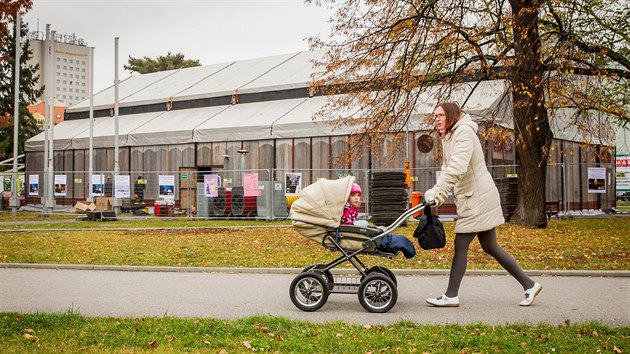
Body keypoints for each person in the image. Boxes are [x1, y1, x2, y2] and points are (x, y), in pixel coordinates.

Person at [423, 102, 542, 307]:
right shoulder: (450, 136)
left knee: (461, 244)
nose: (437, 120)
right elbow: (449, 168)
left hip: (477, 198)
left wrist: (437, 191)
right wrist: (439, 194)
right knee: (490, 246)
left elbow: (458, 167)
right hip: (474, 196)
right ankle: (529, 284)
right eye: (435, 116)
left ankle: (451, 295)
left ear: (451, 115)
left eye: (440, 115)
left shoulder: (464, 134)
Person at [342, 183, 416, 259]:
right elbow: (347, 222)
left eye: (358, 195)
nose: (356, 198)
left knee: (372, 227)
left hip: (352, 228)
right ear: (347, 197)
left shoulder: (352, 209)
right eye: (353, 195)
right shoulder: (346, 209)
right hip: (350, 230)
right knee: (366, 224)